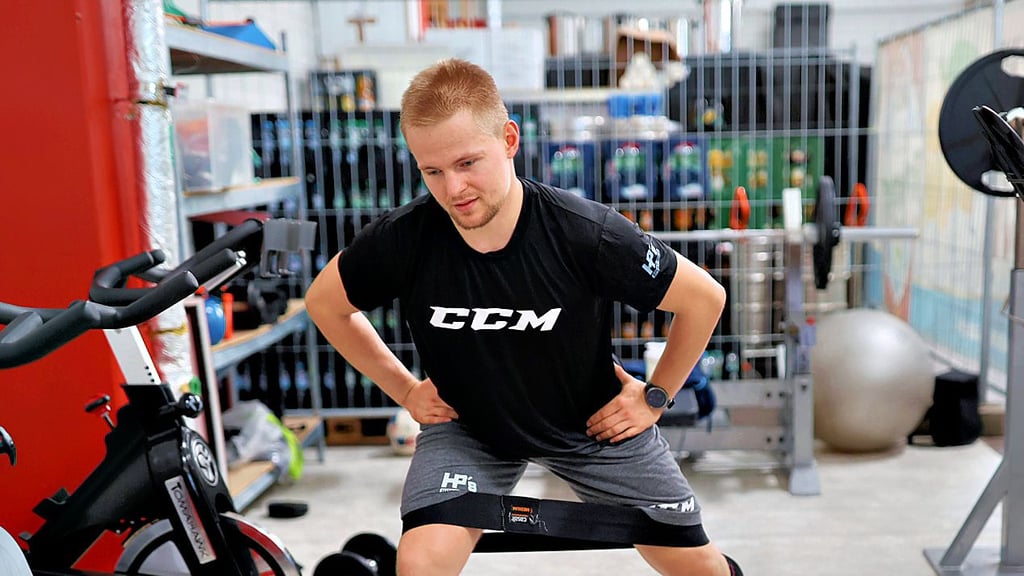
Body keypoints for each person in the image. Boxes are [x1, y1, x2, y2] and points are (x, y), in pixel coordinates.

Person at [305, 58, 737, 576]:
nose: (453, 189)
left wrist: (656, 397)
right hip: (470, 430)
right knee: (420, 565)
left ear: (509, 139)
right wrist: (405, 391)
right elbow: (325, 304)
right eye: (432, 171)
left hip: (592, 427)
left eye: (468, 163)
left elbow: (704, 298)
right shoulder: (404, 238)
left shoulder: (585, 233)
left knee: (702, 571)